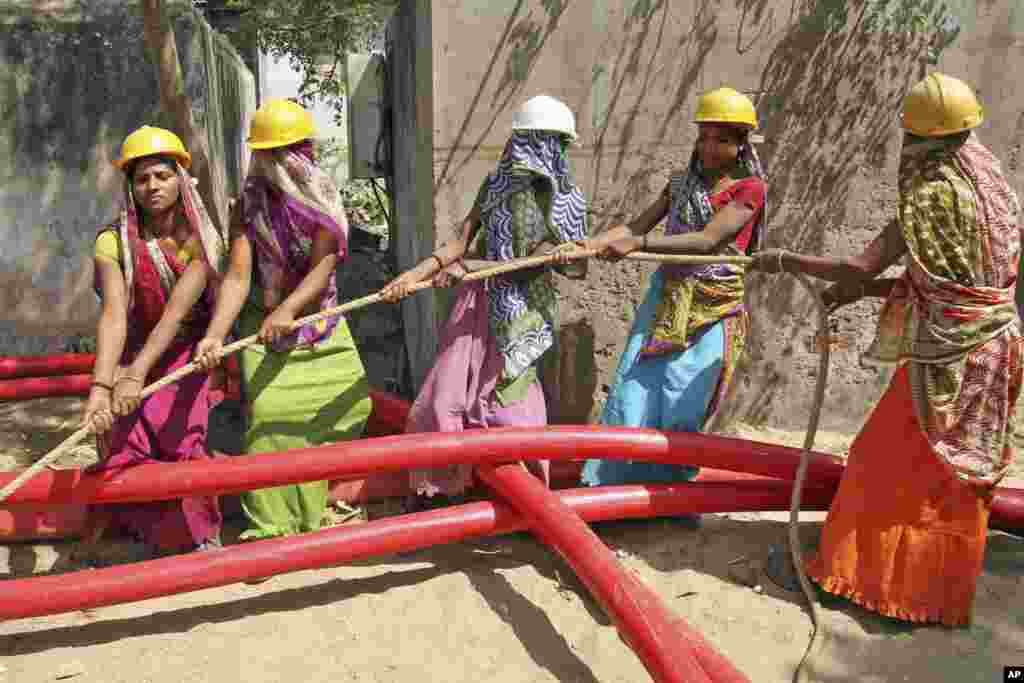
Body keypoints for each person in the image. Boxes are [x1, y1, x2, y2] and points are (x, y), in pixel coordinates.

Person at [754, 73, 1020, 626]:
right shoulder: (992, 185)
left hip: (950, 356)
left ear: (916, 139)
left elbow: (861, 266)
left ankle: (856, 580)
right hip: (995, 346)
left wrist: (783, 261)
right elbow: (949, 280)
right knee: (958, 475)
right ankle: (938, 592)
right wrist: (852, 291)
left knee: (883, 460)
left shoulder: (929, 193)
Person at [380, 95, 588, 511]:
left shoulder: (566, 201)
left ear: (557, 148)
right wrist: (415, 275)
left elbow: (534, 267)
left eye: (541, 143)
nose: (525, 151)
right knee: (446, 395)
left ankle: (526, 498)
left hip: (523, 312)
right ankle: (440, 487)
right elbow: (460, 240)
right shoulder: (494, 185)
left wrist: (471, 266)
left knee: (508, 406)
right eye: (523, 140)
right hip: (478, 301)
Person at [196, 99, 372, 541]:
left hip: (320, 321)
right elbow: (238, 276)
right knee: (271, 419)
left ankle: (323, 498)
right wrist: (216, 336)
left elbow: (324, 265)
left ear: (305, 150)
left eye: (288, 151)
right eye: (271, 154)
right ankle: (272, 526)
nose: (280, 164)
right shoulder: (249, 205)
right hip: (265, 327)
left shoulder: (323, 197)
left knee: (355, 404)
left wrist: (290, 310)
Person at [577, 87, 768, 492]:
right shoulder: (681, 184)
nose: (710, 147)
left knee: (684, 399)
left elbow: (707, 240)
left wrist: (640, 245)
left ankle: (670, 497)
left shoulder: (750, 189)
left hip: (713, 307)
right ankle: (612, 494)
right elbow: (635, 227)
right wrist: (586, 245)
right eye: (704, 137)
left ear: (740, 144)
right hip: (666, 298)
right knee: (634, 392)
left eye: (722, 139)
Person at [82, 126, 226, 558]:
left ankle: (200, 537)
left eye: (162, 175)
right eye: (142, 178)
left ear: (181, 177)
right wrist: (102, 387)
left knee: (184, 444)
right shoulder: (112, 241)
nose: (152, 187)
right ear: (130, 185)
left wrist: (135, 376)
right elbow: (112, 315)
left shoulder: (201, 239)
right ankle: (144, 536)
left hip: (185, 356)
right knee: (125, 444)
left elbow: (175, 315)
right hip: (131, 352)